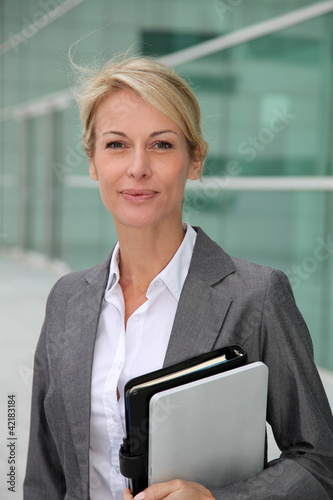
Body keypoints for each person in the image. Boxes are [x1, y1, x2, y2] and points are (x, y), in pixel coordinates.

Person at [23, 55, 333, 500]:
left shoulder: (257, 296)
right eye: (116, 145)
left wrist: (215, 499)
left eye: (162, 145)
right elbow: (42, 474)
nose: (138, 168)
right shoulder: (66, 299)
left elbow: (320, 463)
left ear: (195, 159)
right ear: (91, 160)